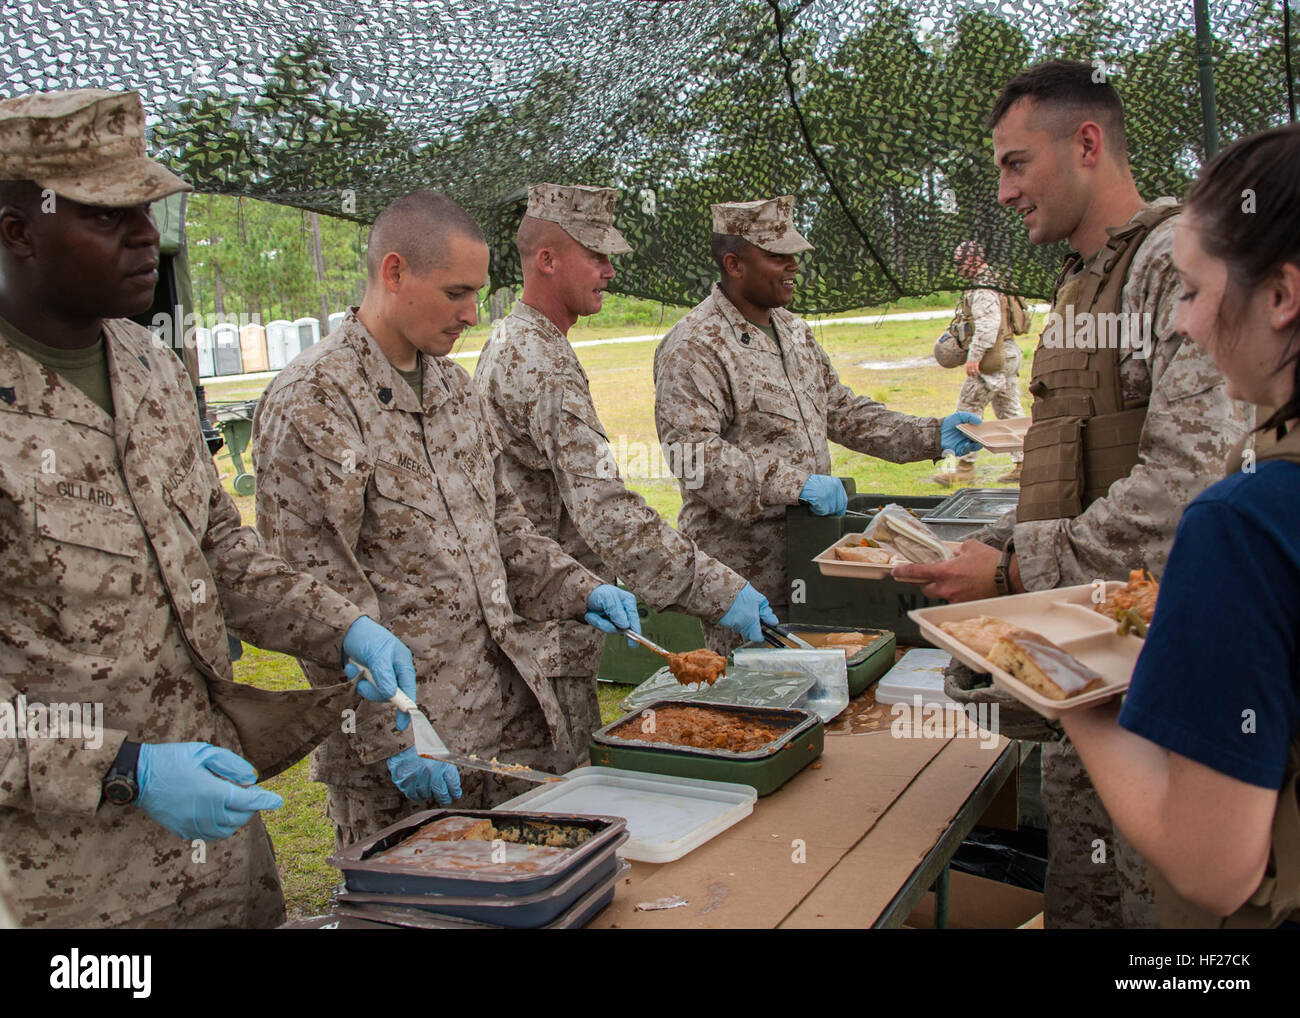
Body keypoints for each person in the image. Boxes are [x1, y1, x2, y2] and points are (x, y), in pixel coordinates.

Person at [0, 88, 418, 928]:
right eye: (109, 216)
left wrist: (342, 627)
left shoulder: (151, 367)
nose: (147, 236)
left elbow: (219, 550)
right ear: (18, 230)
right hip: (73, 888)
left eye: (149, 209)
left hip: (224, 859)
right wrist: (125, 769)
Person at [894, 60, 1253, 928]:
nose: (1007, 191)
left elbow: (1182, 493)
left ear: (1087, 143)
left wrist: (1015, 568)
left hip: (1160, 689)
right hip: (1087, 682)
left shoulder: (1170, 265)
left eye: (1018, 163)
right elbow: (1074, 464)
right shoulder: (1085, 279)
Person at [253, 190, 639, 849]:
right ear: (394, 272)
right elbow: (315, 605)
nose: (470, 314)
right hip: (406, 761)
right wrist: (395, 735)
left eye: (478, 294)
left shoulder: (451, 389)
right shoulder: (313, 403)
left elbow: (507, 534)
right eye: (456, 292)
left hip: (508, 726)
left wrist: (581, 588)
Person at [1061, 124, 1300, 927]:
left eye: (1195, 293)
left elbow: (1214, 868)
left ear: (1281, 296)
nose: (1184, 327)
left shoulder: (1241, 522)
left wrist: (1072, 692)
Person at [474, 183, 779, 753]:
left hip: (542, 619)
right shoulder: (543, 366)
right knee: (566, 800)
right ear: (548, 259)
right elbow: (607, 511)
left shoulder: (519, 341)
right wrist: (719, 590)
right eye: (597, 256)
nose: (611, 271)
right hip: (550, 637)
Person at [653, 195, 981, 653]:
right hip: (746, 578)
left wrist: (931, 433)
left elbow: (842, 411)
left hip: (813, 558)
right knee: (763, 703)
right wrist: (795, 485)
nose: (793, 267)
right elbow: (694, 457)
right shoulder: (695, 346)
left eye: (794, 255)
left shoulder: (792, 331)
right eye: (777, 256)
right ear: (734, 264)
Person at [931, 240, 1025, 486]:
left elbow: (988, 325)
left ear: (973, 260)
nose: (958, 267)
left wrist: (974, 357)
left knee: (968, 407)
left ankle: (963, 466)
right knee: (1010, 413)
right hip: (1007, 353)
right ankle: (1025, 464)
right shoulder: (992, 279)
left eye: (960, 262)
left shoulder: (983, 286)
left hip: (994, 356)